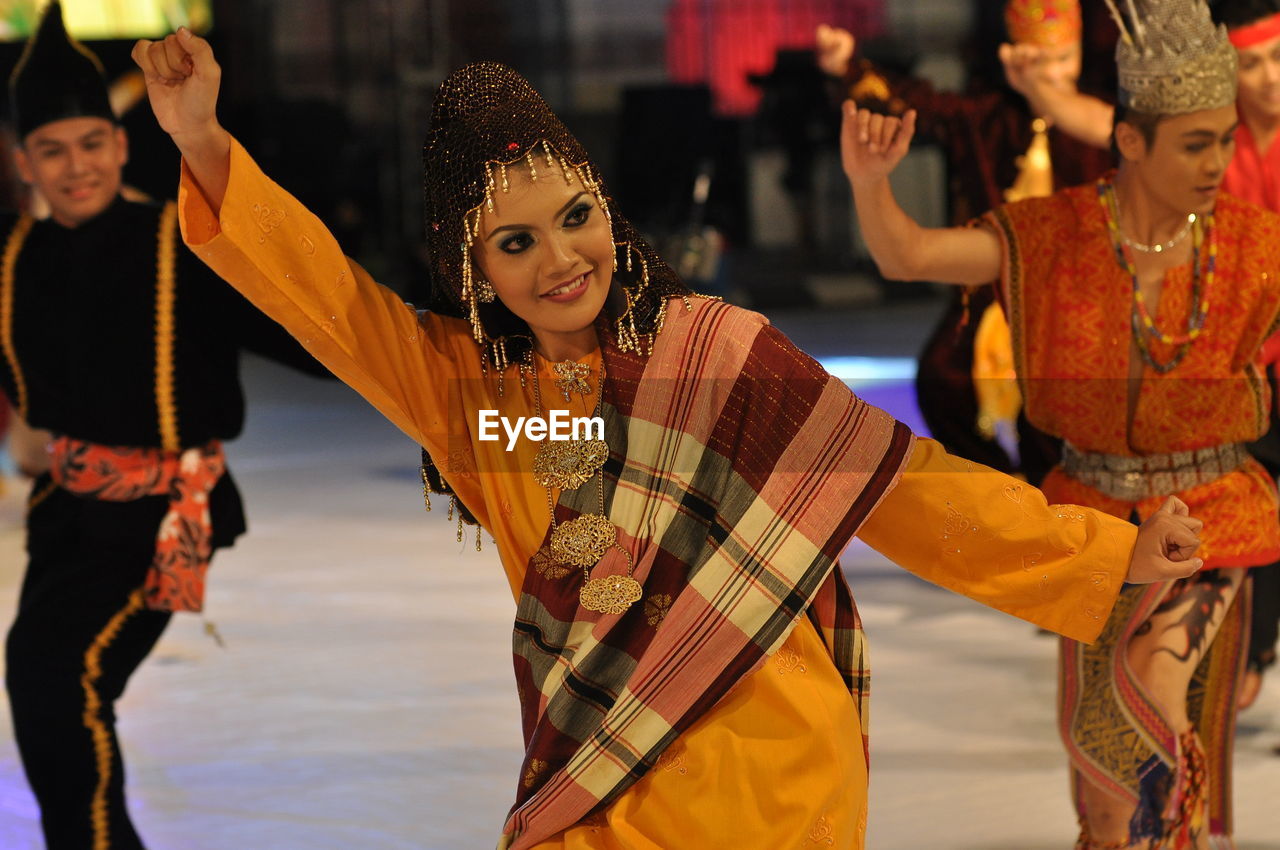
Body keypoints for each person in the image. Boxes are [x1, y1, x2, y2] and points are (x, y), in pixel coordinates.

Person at [133, 27, 1202, 850]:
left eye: (575, 215)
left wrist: (1105, 557)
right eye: (514, 242)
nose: (560, 258)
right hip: (598, 768)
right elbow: (328, 296)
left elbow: (912, 489)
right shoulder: (474, 396)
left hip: (774, 770)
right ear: (478, 274)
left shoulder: (720, 356)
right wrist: (203, 142)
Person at [842, 0, 1278, 846]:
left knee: (1150, 689)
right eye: (1197, 142)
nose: (1218, 162)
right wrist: (869, 184)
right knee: (1104, 790)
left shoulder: (1255, 244)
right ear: (1131, 142)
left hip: (1214, 509)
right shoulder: (1052, 234)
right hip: (1089, 519)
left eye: (1225, 140)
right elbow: (909, 256)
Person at [0, 5, 329, 848]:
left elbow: (305, 327)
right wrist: (19, 438)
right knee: (47, 682)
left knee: (57, 676)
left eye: (89, 143)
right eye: (51, 149)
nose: (74, 166)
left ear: (117, 144)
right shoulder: (12, 263)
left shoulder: (181, 241)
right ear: (23, 160)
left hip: (162, 515)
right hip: (66, 515)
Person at [1006, 0, 1280, 713]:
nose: (1269, 78)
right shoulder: (1206, 134)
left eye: (1278, 59)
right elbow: (1105, 125)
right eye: (1251, 63)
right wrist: (1041, 91)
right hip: (1217, 365)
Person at [816, 1, 1114, 487]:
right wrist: (848, 66)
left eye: (1064, 59)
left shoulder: (1098, 118)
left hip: (1081, 296)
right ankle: (1001, 490)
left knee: (1056, 399)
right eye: (1041, 61)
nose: (1054, 74)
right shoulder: (986, 117)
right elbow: (916, 103)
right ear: (1012, 56)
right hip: (992, 284)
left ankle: (1055, 498)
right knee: (943, 377)